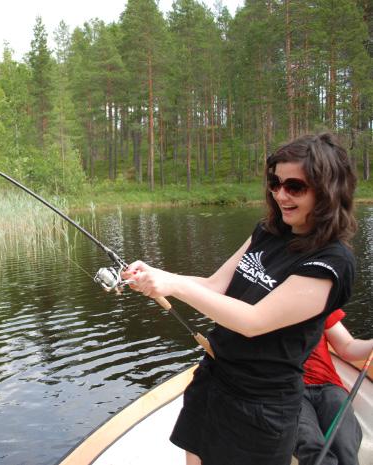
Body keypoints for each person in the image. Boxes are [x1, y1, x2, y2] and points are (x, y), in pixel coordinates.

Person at [121, 132, 357, 465]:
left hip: (261, 406)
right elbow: (215, 285)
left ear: (329, 190)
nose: (280, 195)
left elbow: (253, 321)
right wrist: (155, 276)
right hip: (214, 377)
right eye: (275, 183)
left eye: (295, 187)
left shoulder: (331, 262)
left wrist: (174, 286)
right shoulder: (268, 232)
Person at [296, 308, 373, 465]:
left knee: (344, 443)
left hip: (329, 386)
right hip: (289, 390)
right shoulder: (257, 304)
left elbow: (347, 347)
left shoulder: (322, 303)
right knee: (310, 444)